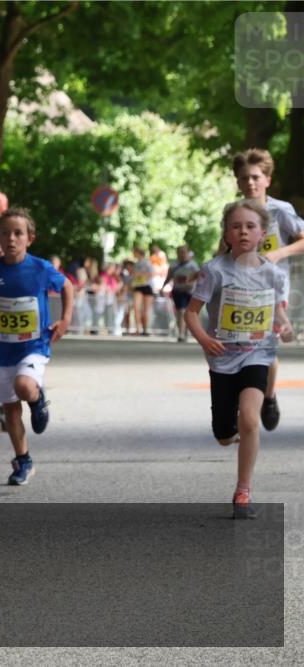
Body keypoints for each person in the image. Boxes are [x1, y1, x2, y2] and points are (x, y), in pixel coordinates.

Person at [185, 199, 293, 519]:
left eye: (250, 226)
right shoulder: (214, 270)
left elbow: (279, 313)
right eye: (236, 226)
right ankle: (227, 432)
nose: (243, 232)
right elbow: (191, 314)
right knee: (223, 433)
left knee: (249, 419)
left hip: (257, 355)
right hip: (223, 360)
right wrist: (205, 339)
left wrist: (284, 327)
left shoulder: (272, 274)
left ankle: (243, 489)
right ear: (227, 234)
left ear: (262, 235)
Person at [0, 208, 72, 486]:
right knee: (11, 411)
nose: (11, 239)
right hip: (4, 351)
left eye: (18, 233)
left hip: (34, 345)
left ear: (30, 239)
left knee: (24, 386)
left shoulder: (40, 268)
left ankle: (37, 399)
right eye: (5, 233)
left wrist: (65, 319)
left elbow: (67, 286)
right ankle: (23, 460)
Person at [230, 148, 304, 431]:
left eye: (256, 177)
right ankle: (247, 401)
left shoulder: (280, 210)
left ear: (267, 180)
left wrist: (278, 254)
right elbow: (224, 248)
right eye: (245, 178)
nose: (250, 183)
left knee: (264, 346)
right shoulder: (234, 212)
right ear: (238, 182)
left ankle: (268, 396)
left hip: (273, 291)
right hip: (239, 289)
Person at [163, 245, 199, 342]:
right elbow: (169, 277)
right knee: (181, 312)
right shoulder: (174, 265)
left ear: (188, 253)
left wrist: (191, 284)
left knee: (189, 313)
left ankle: (187, 331)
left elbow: (198, 277)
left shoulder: (193, 265)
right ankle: (181, 333)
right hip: (178, 292)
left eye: (184, 252)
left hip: (191, 293)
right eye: (180, 252)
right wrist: (163, 286)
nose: (182, 254)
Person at [130, 246, 154, 335]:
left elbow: (151, 273)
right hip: (138, 286)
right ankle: (138, 329)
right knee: (136, 308)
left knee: (145, 310)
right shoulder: (136, 264)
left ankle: (145, 329)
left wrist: (140, 274)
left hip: (147, 286)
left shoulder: (147, 263)